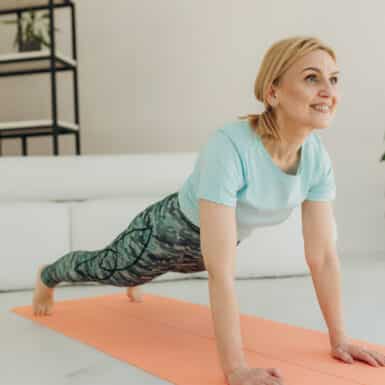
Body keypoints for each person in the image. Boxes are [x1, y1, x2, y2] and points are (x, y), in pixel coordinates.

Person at [32, 36, 385, 385]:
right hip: (164, 233)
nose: (328, 90)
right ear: (272, 92)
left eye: (334, 79)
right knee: (112, 269)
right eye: (312, 78)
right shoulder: (229, 146)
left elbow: (322, 256)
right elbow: (221, 271)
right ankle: (48, 275)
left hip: (207, 249)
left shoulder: (317, 159)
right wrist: (235, 368)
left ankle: (138, 280)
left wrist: (340, 340)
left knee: (143, 274)